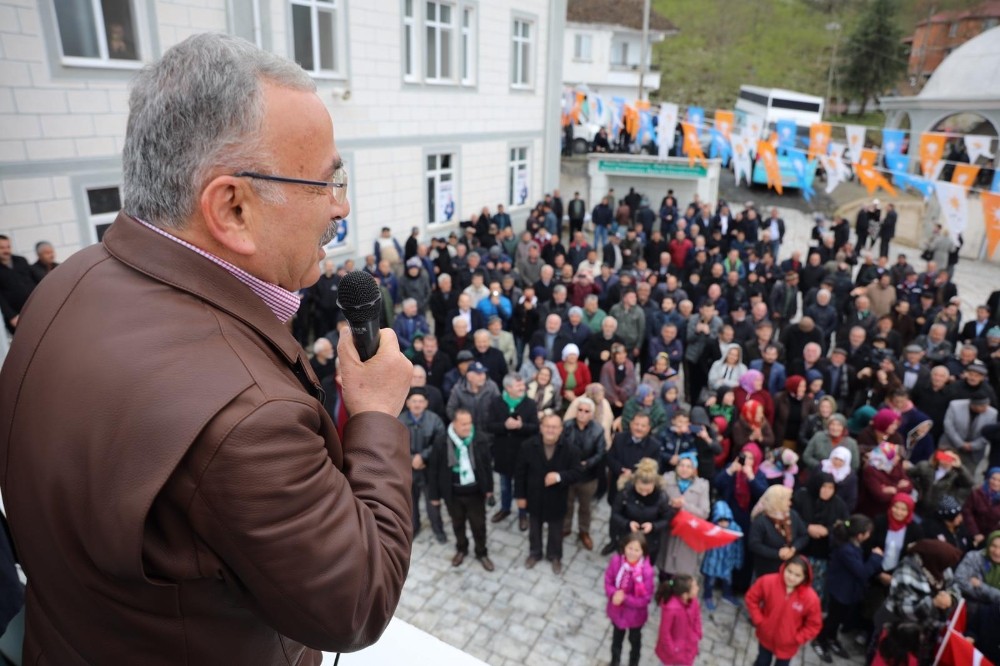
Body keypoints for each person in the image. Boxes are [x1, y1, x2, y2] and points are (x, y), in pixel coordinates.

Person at [0, 34, 416, 662]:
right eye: (326, 182)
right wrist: (378, 415)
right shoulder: (250, 417)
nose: (342, 205)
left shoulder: (65, 282)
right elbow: (356, 603)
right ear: (233, 208)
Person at [428, 408, 495, 572]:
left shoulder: (479, 438)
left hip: (475, 493)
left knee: (479, 525)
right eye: (463, 424)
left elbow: (487, 466)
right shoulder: (442, 441)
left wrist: (489, 489)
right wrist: (434, 495)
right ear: (454, 424)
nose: (467, 427)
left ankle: (481, 552)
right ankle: (461, 549)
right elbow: (434, 469)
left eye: (469, 423)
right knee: (458, 524)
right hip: (453, 494)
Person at [515, 414, 581, 574]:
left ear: (560, 430)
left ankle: (554, 556)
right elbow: (519, 473)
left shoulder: (571, 450)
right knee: (534, 529)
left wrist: (559, 477)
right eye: (547, 426)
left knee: (556, 531)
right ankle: (535, 553)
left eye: (554, 427)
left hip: (557, 498)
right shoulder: (528, 446)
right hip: (534, 497)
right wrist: (520, 496)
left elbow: (577, 473)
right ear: (541, 428)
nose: (550, 430)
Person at [813, 515, 883, 663]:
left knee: (838, 618)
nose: (869, 536)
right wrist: (876, 558)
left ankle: (831, 638)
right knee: (833, 618)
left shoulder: (853, 545)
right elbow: (862, 572)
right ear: (859, 535)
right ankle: (820, 640)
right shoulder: (846, 550)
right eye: (868, 533)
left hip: (847, 591)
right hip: (840, 591)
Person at [745, 556, 823, 666]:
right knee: (762, 662)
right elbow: (751, 598)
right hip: (765, 636)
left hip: (788, 645)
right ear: (784, 568)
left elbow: (814, 624)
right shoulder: (768, 581)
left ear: (805, 577)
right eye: (789, 571)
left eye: (797, 575)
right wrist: (759, 620)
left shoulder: (811, 598)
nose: (791, 577)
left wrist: (797, 638)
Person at [487, 374, 539, 531]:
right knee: (504, 484)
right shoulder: (496, 402)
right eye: (519, 386)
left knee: (522, 485)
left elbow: (536, 428)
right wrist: (504, 426)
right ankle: (505, 508)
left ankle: (523, 513)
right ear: (508, 388)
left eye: (523, 385)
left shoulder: (529, 404)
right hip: (503, 453)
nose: (523, 388)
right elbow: (489, 426)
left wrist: (521, 426)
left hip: (522, 454)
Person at [794, 472, 849, 605]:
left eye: (831, 488)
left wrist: (828, 530)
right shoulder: (802, 497)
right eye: (823, 487)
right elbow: (792, 516)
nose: (827, 491)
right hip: (800, 550)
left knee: (815, 587)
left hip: (823, 554)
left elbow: (846, 524)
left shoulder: (838, 504)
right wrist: (807, 527)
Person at [401, 387, 448, 544]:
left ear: (426, 403)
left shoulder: (435, 420)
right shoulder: (399, 421)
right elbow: (393, 445)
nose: (417, 404)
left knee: (432, 502)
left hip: (429, 469)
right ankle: (414, 528)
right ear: (407, 403)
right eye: (414, 401)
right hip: (407, 470)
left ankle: (438, 529)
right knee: (410, 502)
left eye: (421, 401)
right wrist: (412, 458)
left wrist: (423, 457)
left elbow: (440, 443)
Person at [609, 458, 674, 566]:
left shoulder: (661, 497)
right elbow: (615, 513)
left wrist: (653, 526)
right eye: (640, 489)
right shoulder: (626, 492)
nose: (644, 493)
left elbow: (667, 518)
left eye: (648, 490)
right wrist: (627, 523)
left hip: (650, 542)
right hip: (627, 538)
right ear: (635, 483)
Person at [561, 396, 606, 550]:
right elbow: (560, 446)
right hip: (569, 474)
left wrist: (587, 464)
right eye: (580, 410)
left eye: (586, 411)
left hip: (588, 476)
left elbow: (600, 453)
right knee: (566, 503)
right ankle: (565, 528)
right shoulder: (567, 426)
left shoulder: (598, 430)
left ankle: (584, 532)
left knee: (585, 507)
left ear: (591, 414)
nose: (582, 413)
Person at [604, 532, 655, 666]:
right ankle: (614, 661)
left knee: (635, 640)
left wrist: (624, 598)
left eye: (636, 550)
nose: (632, 553)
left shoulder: (646, 571)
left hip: (635, 617)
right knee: (616, 640)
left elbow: (646, 598)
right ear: (624, 547)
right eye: (630, 548)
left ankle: (634, 662)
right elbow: (608, 580)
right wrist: (613, 594)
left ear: (643, 552)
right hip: (617, 612)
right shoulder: (616, 561)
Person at [657, 452, 710, 579]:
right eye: (681, 465)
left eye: (688, 466)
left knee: (682, 572)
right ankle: (664, 591)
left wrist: (684, 505)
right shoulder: (666, 479)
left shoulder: (702, 486)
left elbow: (704, 512)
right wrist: (670, 503)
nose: (684, 469)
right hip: (668, 531)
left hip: (687, 535)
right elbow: (658, 502)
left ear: (694, 469)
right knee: (664, 567)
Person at [954, 530, 1000, 664]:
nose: (997, 552)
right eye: (994, 546)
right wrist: (994, 594)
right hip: (969, 610)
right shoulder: (974, 557)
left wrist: (980, 586)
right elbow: (960, 580)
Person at [749, 485, 810, 578]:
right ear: (777, 501)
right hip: (767, 570)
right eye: (787, 500)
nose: (790, 503)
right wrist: (777, 553)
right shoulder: (761, 520)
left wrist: (793, 549)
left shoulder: (792, 515)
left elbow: (804, 535)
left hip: (789, 569)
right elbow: (754, 544)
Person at [700, 500, 745, 610]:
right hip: (712, 561)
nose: (723, 523)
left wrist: (738, 561)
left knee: (728, 580)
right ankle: (707, 596)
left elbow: (739, 547)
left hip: (727, 561)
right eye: (720, 520)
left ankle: (727, 595)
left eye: (726, 520)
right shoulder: (711, 528)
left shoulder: (735, 529)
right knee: (709, 581)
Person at [654, 574, 702, 666]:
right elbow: (664, 632)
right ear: (684, 595)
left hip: (688, 648)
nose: (698, 588)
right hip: (672, 653)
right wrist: (673, 650)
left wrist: (697, 633)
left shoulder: (694, 601)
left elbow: (697, 618)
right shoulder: (670, 609)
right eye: (695, 587)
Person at [962, 467, 1000, 547]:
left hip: (990, 538)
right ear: (988, 478)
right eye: (993, 478)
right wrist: (975, 533)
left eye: (999, 480)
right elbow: (967, 512)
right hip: (971, 533)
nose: (995, 483)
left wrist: (991, 536)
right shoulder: (976, 493)